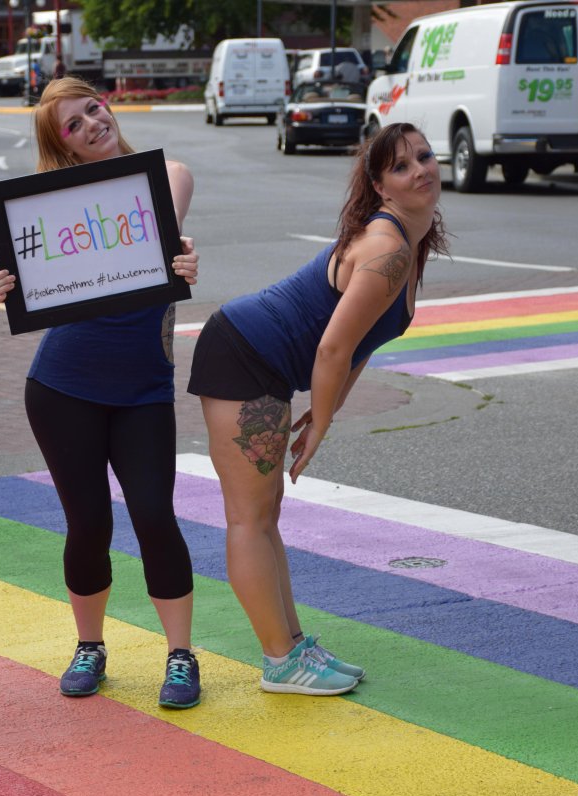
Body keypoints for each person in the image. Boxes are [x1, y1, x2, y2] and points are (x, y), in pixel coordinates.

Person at [187, 122, 447, 695]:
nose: (421, 171)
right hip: (241, 354)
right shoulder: (387, 248)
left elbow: (359, 345)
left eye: (425, 157)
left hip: (264, 364)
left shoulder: (408, 243)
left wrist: (325, 412)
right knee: (249, 518)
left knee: (266, 515)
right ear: (380, 187)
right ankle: (280, 662)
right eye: (401, 166)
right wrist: (322, 422)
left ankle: (294, 646)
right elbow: (331, 348)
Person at [0, 77, 202, 709]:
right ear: (65, 147)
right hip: (63, 386)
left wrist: (183, 260)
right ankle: (90, 646)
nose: (92, 125)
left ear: (108, 105)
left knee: (154, 516)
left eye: (92, 109)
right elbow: (42, 279)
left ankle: (181, 656)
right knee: (89, 523)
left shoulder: (169, 177)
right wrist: (11, 283)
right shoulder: (49, 209)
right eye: (73, 126)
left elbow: (159, 238)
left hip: (143, 389)